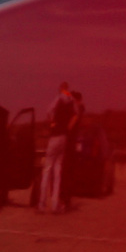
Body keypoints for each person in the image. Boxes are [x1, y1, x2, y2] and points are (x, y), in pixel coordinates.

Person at [39, 81, 76, 213]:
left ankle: (42, 204)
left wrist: (52, 123)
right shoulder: (71, 100)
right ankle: (55, 205)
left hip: (55, 136)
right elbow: (75, 115)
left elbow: (49, 111)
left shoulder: (59, 98)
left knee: (47, 170)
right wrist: (67, 129)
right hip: (64, 137)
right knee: (58, 171)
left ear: (60, 88)